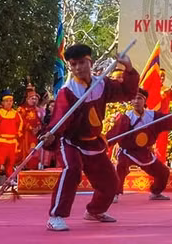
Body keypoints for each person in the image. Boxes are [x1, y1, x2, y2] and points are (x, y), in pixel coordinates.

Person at [41, 43, 139, 232]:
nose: (78, 68)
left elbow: (127, 93)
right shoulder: (67, 92)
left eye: (82, 63)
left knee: (111, 182)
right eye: (73, 64)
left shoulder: (102, 84)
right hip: (71, 142)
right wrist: (51, 134)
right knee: (72, 169)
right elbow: (60, 118)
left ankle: (95, 210)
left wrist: (128, 68)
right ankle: (56, 216)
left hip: (94, 142)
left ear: (90, 62)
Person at [109, 88, 172, 202]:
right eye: (134, 99)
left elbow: (169, 121)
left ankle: (156, 192)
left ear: (144, 101)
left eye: (139, 98)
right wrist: (103, 143)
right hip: (128, 152)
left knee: (163, 172)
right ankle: (114, 194)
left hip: (144, 152)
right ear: (131, 101)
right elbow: (114, 133)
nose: (136, 101)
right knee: (120, 167)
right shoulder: (126, 117)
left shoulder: (153, 116)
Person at [0, 90, 24, 186]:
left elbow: (21, 124)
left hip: (12, 142)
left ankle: (10, 178)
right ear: (2, 102)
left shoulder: (16, 114)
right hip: (2, 141)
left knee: (11, 162)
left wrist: (18, 134)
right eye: (7, 101)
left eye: (10, 100)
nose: (9, 102)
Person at [154, 69, 172, 163]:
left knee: (162, 141)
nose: (162, 78)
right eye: (160, 75)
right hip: (153, 118)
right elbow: (152, 101)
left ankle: (160, 161)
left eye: (163, 76)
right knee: (150, 141)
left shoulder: (166, 88)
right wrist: (163, 94)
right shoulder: (151, 89)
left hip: (164, 119)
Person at [18, 85, 42, 170]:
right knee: (24, 151)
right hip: (24, 134)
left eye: (35, 99)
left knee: (33, 150)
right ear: (27, 99)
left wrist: (38, 127)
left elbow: (38, 120)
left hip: (34, 135)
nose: (34, 100)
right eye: (32, 98)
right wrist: (30, 128)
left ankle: (33, 167)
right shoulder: (21, 109)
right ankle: (23, 168)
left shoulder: (36, 109)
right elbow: (20, 121)